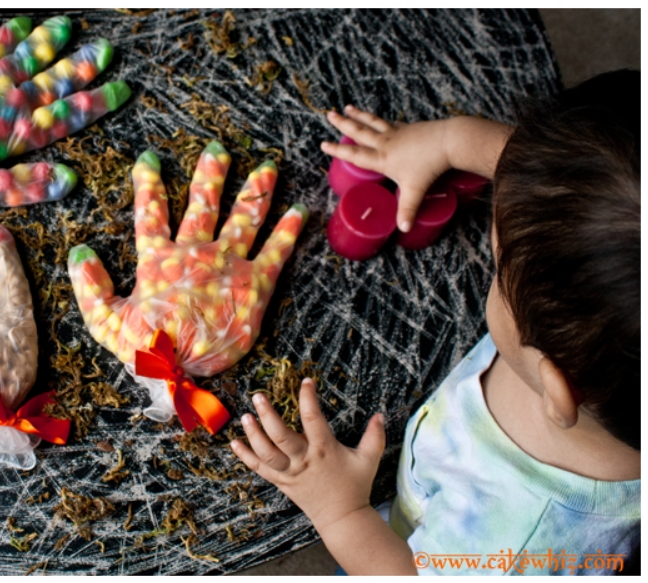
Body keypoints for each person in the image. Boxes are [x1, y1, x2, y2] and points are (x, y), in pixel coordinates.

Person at [230, 69, 640, 576]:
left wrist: (342, 511)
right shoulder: (606, 341)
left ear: (557, 383)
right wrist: (447, 141)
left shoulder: (515, 543)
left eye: (499, 264)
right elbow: (565, 179)